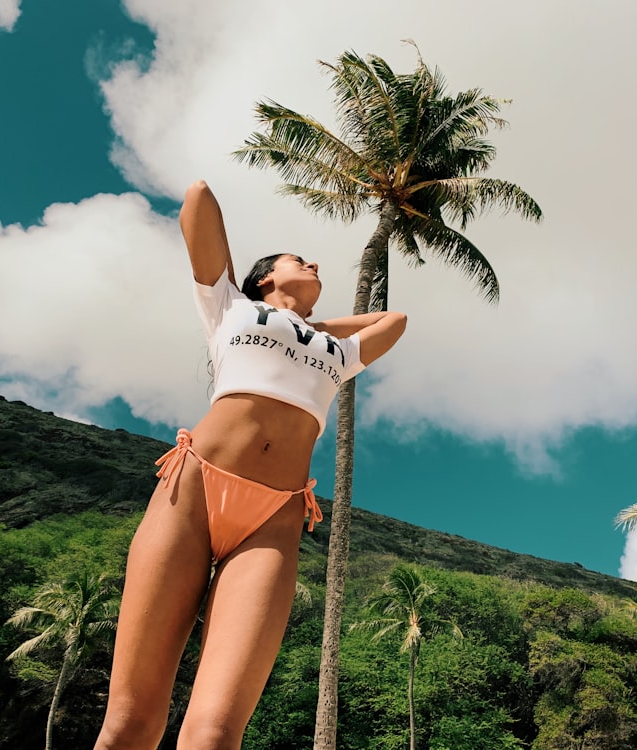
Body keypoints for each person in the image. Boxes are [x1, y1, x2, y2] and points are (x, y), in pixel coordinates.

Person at [93, 180, 407, 750]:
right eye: (297, 258)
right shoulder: (228, 305)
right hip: (194, 489)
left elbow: (394, 321)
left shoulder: (337, 352)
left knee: (215, 733)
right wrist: (260, 299)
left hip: (273, 518)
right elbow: (198, 199)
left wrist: (314, 325)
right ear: (263, 276)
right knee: (128, 725)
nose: (313, 262)